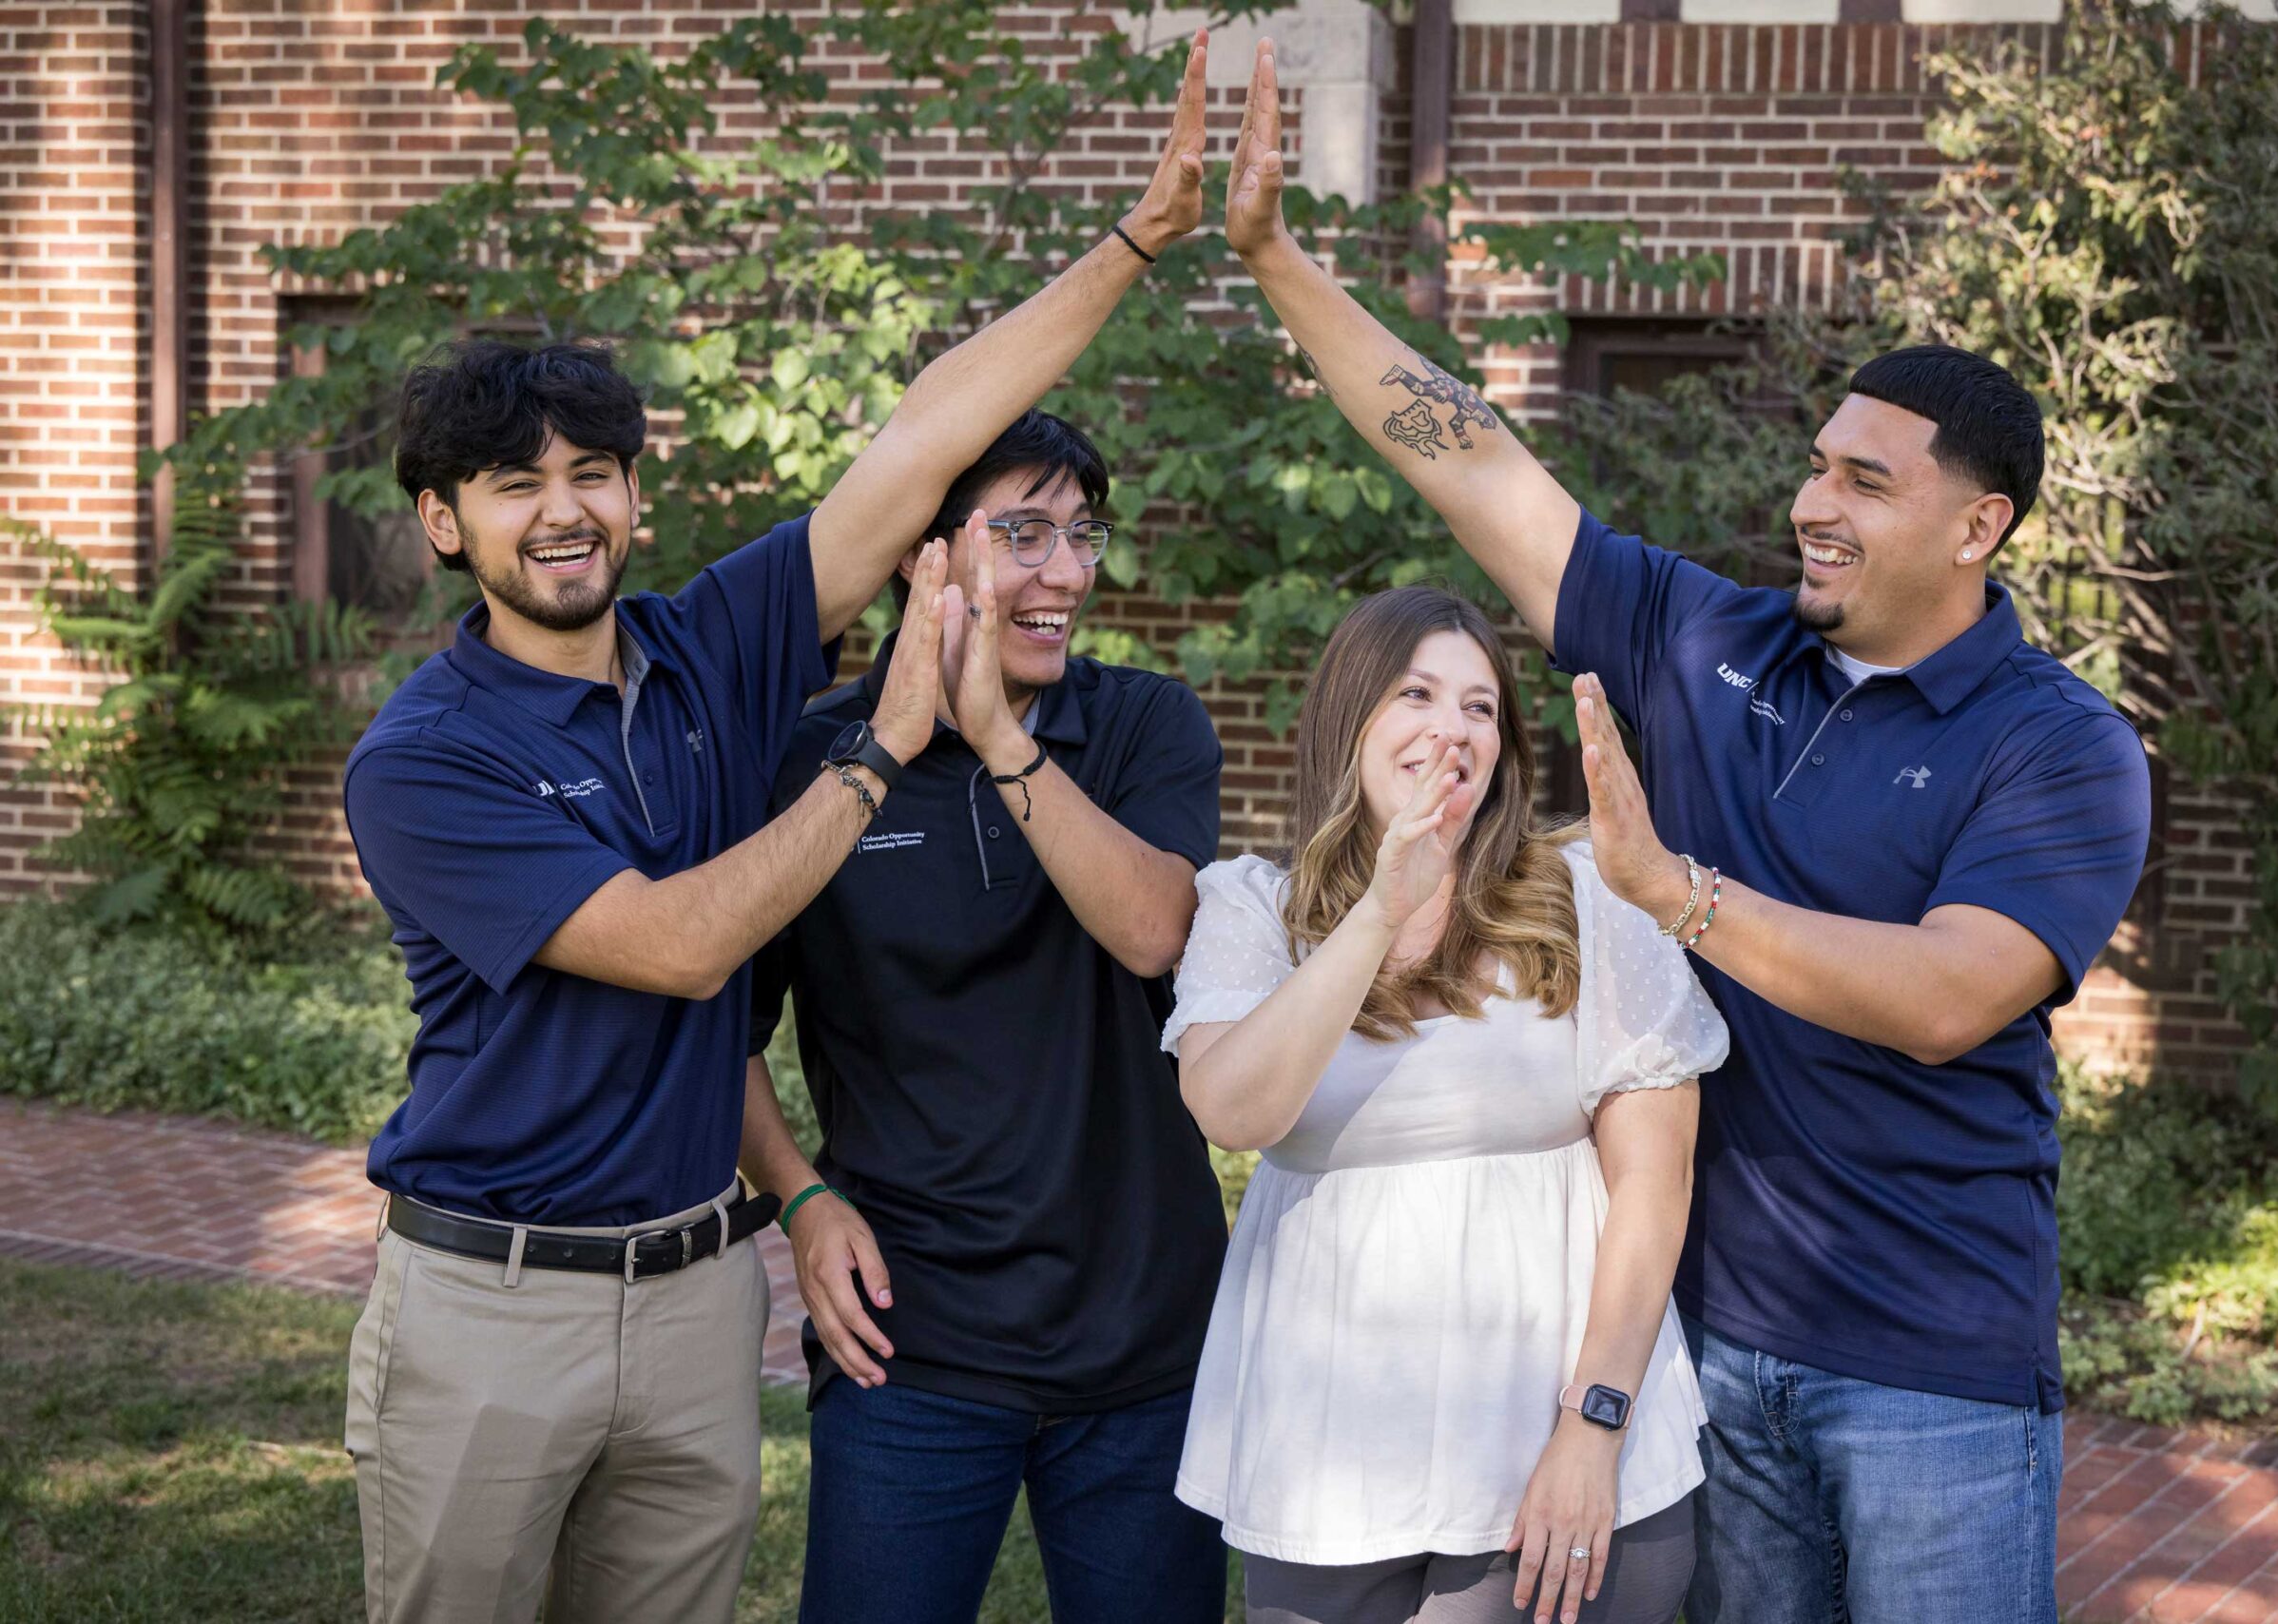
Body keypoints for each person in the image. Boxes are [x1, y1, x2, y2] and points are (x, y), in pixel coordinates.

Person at [1223, 40, 2153, 1624]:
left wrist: (1677, 890)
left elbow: (1946, 994)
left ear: (1976, 526)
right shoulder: (1707, 644)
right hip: (1711, 1350)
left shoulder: (2061, 745)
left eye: (1866, 478)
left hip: (1935, 1366)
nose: (1813, 498)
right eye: (1815, 460)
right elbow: (1469, 457)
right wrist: (1276, 262)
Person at [336, 41, 1213, 1621]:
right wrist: (883, 750)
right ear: (440, 519)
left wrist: (1138, 238)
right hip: (494, 1295)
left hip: (689, 1299)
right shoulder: (423, 757)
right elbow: (682, 948)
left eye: (592, 473)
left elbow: (919, 443)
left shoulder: (704, 654)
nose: (561, 510)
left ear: (633, 498)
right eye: (511, 482)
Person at [735, 41, 1229, 1624]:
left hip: (1147, 1350)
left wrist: (1004, 735)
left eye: (1080, 536)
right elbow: (715, 1029)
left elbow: (1156, 930)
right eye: (1021, 532)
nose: (1063, 573)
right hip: (912, 1347)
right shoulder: (810, 765)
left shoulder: (1142, 724)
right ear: (920, 558)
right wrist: (801, 1200)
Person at [1164, 586, 1728, 1624]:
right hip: (1325, 1442)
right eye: (1417, 692)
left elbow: (1655, 1177)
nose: (1453, 728)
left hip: (1552, 1441)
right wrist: (1382, 904)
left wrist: (1594, 1424)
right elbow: (1233, 1112)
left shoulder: (1584, 895)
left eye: (1480, 707)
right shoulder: (1254, 907)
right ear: (1348, 718)